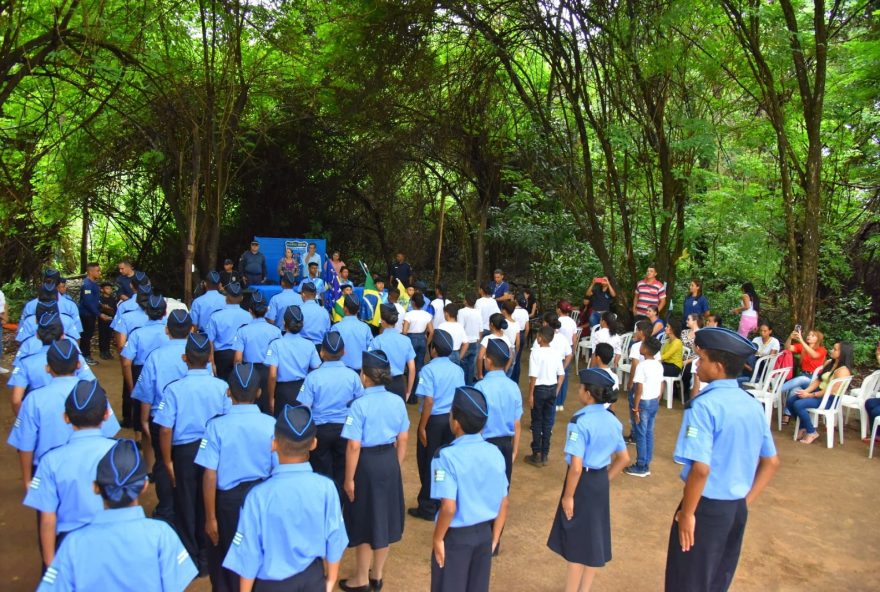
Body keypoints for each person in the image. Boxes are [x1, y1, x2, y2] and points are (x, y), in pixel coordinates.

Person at [664, 327, 779, 592]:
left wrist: (688, 513)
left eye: (701, 359)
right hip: (735, 508)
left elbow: (701, 470)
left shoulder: (704, 405)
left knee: (687, 581)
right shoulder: (751, 404)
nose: (697, 364)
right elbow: (771, 462)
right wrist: (743, 502)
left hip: (705, 508)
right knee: (718, 579)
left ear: (717, 367)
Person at [37, 439, 197, 591]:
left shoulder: (72, 544)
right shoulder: (162, 534)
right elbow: (178, 584)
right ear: (144, 486)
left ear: (95, 487)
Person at [223, 405, 348, 591]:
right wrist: (331, 578)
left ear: (273, 444)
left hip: (272, 583)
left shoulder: (257, 496)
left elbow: (249, 553)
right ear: (314, 444)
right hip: (312, 577)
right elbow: (335, 536)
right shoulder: (327, 488)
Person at [195, 363, 276, 592]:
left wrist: (211, 517)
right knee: (260, 554)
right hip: (261, 500)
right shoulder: (271, 424)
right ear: (259, 393)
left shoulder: (215, 427)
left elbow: (209, 474)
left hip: (227, 504)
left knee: (226, 558)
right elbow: (277, 469)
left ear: (228, 392)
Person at [547, 368, 629, 592]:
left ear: (589, 394)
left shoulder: (579, 421)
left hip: (581, 483)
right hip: (599, 481)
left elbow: (575, 467)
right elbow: (624, 458)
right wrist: (605, 479)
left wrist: (568, 496)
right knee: (594, 539)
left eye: (581, 387)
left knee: (576, 543)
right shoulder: (614, 421)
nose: (578, 390)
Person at [155, 332, 231, 574]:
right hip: (214, 448)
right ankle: (210, 556)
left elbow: (165, 429)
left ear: (184, 358)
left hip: (185, 452)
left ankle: (193, 558)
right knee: (211, 502)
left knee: (186, 503)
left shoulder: (174, 389)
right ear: (210, 358)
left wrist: (167, 461)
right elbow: (227, 420)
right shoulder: (221, 386)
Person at [23, 380, 117, 567]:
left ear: (66, 418)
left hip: (66, 542)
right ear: (106, 415)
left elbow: (48, 518)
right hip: (112, 538)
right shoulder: (119, 453)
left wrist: (50, 565)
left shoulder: (50, 460)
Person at [8, 340, 119, 497]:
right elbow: (109, 433)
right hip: (88, 471)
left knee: (49, 516)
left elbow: (25, 443)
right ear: (79, 365)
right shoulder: (94, 393)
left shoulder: (33, 399)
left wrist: (28, 480)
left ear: (48, 368)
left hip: (48, 472)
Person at [339, 350, 410, 592]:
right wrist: (395, 465)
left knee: (365, 519)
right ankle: (376, 576)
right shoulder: (397, 401)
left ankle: (360, 578)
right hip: (389, 461)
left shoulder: (359, 405)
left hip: (365, 465)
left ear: (365, 376)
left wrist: (349, 478)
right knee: (385, 519)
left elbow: (353, 445)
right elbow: (403, 438)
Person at [430, 386, 509, 592]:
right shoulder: (496, 453)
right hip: (484, 533)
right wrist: (494, 538)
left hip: (455, 538)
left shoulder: (445, 456)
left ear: (455, 422)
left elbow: (448, 507)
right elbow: (504, 500)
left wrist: (438, 538)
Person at [131, 310, 194, 523]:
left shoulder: (155, 356)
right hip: (190, 418)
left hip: (160, 418)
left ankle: (167, 509)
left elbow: (146, 393)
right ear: (192, 329)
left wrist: (143, 420)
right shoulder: (198, 353)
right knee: (187, 463)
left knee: (162, 463)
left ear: (167, 330)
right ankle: (188, 509)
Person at [297, 332, 364, 496]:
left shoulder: (312, 377)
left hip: (320, 432)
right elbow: (360, 403)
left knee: (321, 472)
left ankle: (324, 502)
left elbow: (304, 408)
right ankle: (340, 506)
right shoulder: (353, 376)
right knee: (343, 470)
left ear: (321, 353)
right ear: (344, 352)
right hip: (345, 430)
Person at [409, 330, 465, 521]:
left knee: (427, 462)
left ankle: (427, 505)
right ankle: (443, 500)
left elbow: (429, 401)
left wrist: (422, 427)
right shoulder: (458, 370)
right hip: (450, 421)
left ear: (433, 349)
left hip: (433, 421)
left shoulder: (428, 370)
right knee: (445, 461)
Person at [8, 314, 95, 415]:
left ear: (37, 335)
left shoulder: (26, 362)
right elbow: (91, 384)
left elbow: (16, 400)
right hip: (72, 414)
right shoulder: (74, 356)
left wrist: (24, 419)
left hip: (39, 412)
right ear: (63, 335)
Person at [783, 341, 854, 444]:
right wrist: (806, 391)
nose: (832, 350)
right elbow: (818, 380)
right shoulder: (829, 363)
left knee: (798, 404)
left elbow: (830, 391)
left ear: (843, 353)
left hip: (830, 399)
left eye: (835, 349)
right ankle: (804, 427)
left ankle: (811, 432)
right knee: (790, 401)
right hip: (819, 393)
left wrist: (810, 395)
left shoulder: (843, 371)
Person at [474, 339, 522, 484]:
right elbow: (517, 422)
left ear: (488, 361)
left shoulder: (480, 387)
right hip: (506, 445)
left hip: (485, 444)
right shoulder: (514, 387)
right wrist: (515, 450)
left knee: (483, 487)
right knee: (502, 490)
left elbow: (476, 422)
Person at [232, 291, 282, 413]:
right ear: (267, 310)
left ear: (250, 311)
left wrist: (238, 376)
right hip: (269, 371)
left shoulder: (242, 331)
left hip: (249, 372)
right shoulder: (276, 331)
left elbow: (238, 359)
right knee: (267, 408)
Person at [266, 305, 322, 414]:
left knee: (283, 427)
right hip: (303, 389)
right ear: (302, 323)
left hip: (283, 391)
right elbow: (317, 369)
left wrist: (271, 398)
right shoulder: (309, 344)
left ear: (283, 322)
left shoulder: (276, 344)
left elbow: (272, 375)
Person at [525, 326, 565, 467]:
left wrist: (530, 395)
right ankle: (545, 454)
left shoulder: (535, 353)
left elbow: (533, 376)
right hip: (551, 388)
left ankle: (536, 453)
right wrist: (556, 390)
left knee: (537, 421)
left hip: (539, 389)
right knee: (548, 423)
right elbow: (561, 374)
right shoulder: (556, 353)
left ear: (540, 338)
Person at [626, 337, 663, 478]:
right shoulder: (658, 365)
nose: (640, 347)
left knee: (641, 434)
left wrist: (635, 408)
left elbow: (639, 389)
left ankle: (641, 466)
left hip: (643, 403)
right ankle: (646, 462)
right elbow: (661, 384)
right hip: (653, 401)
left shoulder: (642, 366)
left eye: (642, 345)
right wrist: (657, 398)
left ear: (646, 350)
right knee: (648, 433)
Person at [369, 303, 416, 400]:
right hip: (399, 384)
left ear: (382, 321)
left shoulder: (377, 340)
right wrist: (408, 391)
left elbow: (370, 366)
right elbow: (412, 368)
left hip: (380, 385)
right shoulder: (406, 340)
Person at [206, 282, 251, 383]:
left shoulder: (216, 316)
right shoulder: (249, 316)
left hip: (222, 358)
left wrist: (212, 363)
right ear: (242, 298)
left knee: (223, 388)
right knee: (241, 387)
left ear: (226, 298)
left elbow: (210, 341)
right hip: (242, 355)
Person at [780, 328, 827, 399]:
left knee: (801, 379)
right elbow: (787, 348)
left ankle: (775, 391)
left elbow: (814, 355)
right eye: (809, 335)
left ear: (818, 339)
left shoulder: (822, 350)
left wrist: (801, 340)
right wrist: (790, 337)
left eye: (813, 335)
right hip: (803, 374)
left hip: (814, 378)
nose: (809, 336)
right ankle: (787, 410)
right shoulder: (803, 347)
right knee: (794, 391)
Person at [331, 295, 374, 372]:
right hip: (361, 371)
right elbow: (371, 350)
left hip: (341, 371)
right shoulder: (365, 328)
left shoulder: (336, 327)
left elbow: (332, 351)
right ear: (358, 310)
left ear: (344, 309)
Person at [403, 292, 434, 377]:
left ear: (413, 302)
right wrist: (426, 343)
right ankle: (417, 387)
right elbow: (431, 331)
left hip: (411, 339)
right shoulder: (427, 315)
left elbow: (405, 331)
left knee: (410, 365)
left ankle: (410, 387)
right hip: (422, 339)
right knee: (419, 366)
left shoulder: (408, 314)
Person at [476, 313, 514, 381]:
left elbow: (480, 357)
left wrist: (480, 374)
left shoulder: (487, 339)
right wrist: (505, 370)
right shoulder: (506, 338)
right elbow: (511, 356)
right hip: (501, 371)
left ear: (491, 324)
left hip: (489, 370)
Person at [77, 262, 102, 365]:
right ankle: (85, 356)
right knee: (86, 336)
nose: (100, 273)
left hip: (90, 314)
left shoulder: (93, 284)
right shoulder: (87, 284)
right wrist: (99, 314)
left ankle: (85, 354)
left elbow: (94, 300)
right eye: (98, 271)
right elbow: (88, 302)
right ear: (90, 272)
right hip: (86, 314)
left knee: (88, 335)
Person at [457, 294, 482, 385]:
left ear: (466, 301)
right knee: (471, 367)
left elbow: (460, 328)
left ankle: (462, 386)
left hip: (464, 343)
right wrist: (478, 341)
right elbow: (480, 330)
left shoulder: (461, 311)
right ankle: (470, 387)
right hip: (475, 342)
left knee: (462, 366)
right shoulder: (478, 312)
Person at [298, 282, 330, 349]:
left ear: (303, 294)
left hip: (302, 347)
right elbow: (327, 332)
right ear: (315, 295)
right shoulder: (324, 312)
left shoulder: (299, 310)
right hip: (319, 348)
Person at [437, 302, 468, 367]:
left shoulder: (442, 326)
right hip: (456, 353)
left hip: (444, 355)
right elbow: (466, 344)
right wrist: (460, 357)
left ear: (446, 313)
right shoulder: (460, 326)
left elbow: (438, 344)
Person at [511, 296, 531, 382]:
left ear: (516, 301)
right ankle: (516, 381)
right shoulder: (525, 312)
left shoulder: (513, 311)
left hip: (514, 334)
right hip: (522, 334)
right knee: (517, 359)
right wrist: (524, 337)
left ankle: (510, 378)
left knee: (511, 357)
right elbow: (527, 328)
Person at [97, 282, 116, 360]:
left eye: (110, 288)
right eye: (107, 288)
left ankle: (107, 351)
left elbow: (115, 309)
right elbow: (97, 309)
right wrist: (103, 308)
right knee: (102, 335)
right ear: (102, 290)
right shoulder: (99, 299)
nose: (109, 290)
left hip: (110, 319)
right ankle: (102, 352)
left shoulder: (112, 299)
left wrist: (111, 310)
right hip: (102, 320)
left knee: (108, 336)